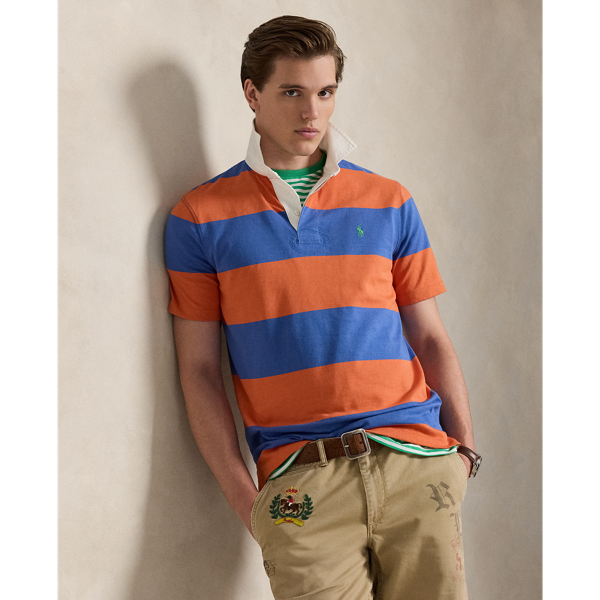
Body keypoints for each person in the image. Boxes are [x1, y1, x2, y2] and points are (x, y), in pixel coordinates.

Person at [165, 15, 480, 600]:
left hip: (417, 466)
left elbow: (430, 337)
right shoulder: (199, 219)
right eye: (292, 92)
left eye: (325, 92)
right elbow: (200, 370)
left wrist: (462, 454)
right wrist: (249, 502)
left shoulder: (389, 201)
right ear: (252, 93)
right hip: (300, 490)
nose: (312, 112)